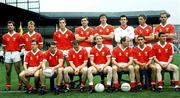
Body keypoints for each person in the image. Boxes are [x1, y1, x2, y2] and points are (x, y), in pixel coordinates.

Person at [2, 21, 23, 90]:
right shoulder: (4, 36)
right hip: (8, 53)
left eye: (11, 25)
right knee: (8, 71)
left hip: (16, 53)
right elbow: (4, 47)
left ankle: (20, 84)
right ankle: (8, 86)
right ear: (7, 27)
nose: (10, 26)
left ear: (14, 26)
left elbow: (21, 46)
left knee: (18, 70)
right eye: (8, 25)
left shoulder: (18, 35)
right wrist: (4, 54)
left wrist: (19, 53)